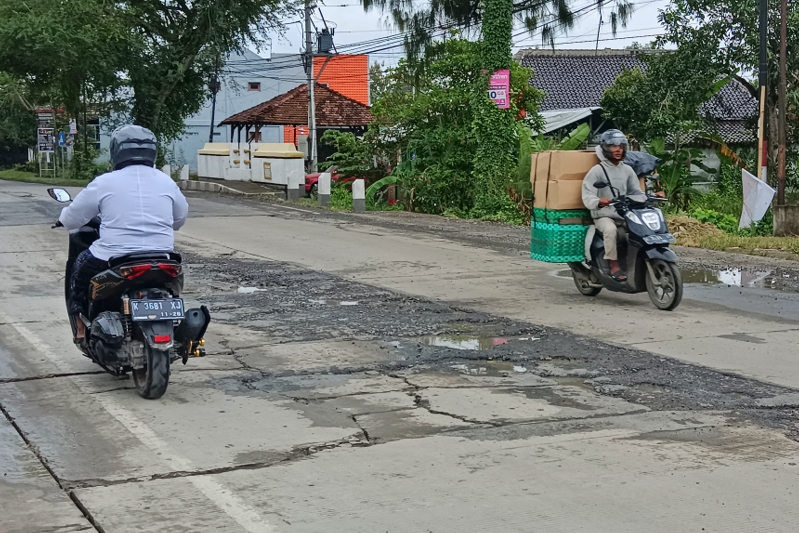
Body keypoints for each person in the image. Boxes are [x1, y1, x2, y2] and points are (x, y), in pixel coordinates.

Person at [58, 125, 189, 341]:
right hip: (162, 257)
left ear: (116, 151)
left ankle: (81, 326)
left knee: (79, 268)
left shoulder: (104, 182)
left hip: (114, 258)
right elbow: (179, 219)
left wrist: (61, 221)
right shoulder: (166, 181)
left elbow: (73, 218)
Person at [581, 129, 647, 282]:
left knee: (642, 229)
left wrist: (650, 197)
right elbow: (587, 194)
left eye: (621, 146)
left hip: (623, 213)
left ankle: (640, 263)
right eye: (613, 146)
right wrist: (598, 202)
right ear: (605, 148)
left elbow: (635, 191)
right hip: (603, 215)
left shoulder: (628, 170)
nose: (618, 150)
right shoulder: (597, 171)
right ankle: (613, 265)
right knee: (611, 231)